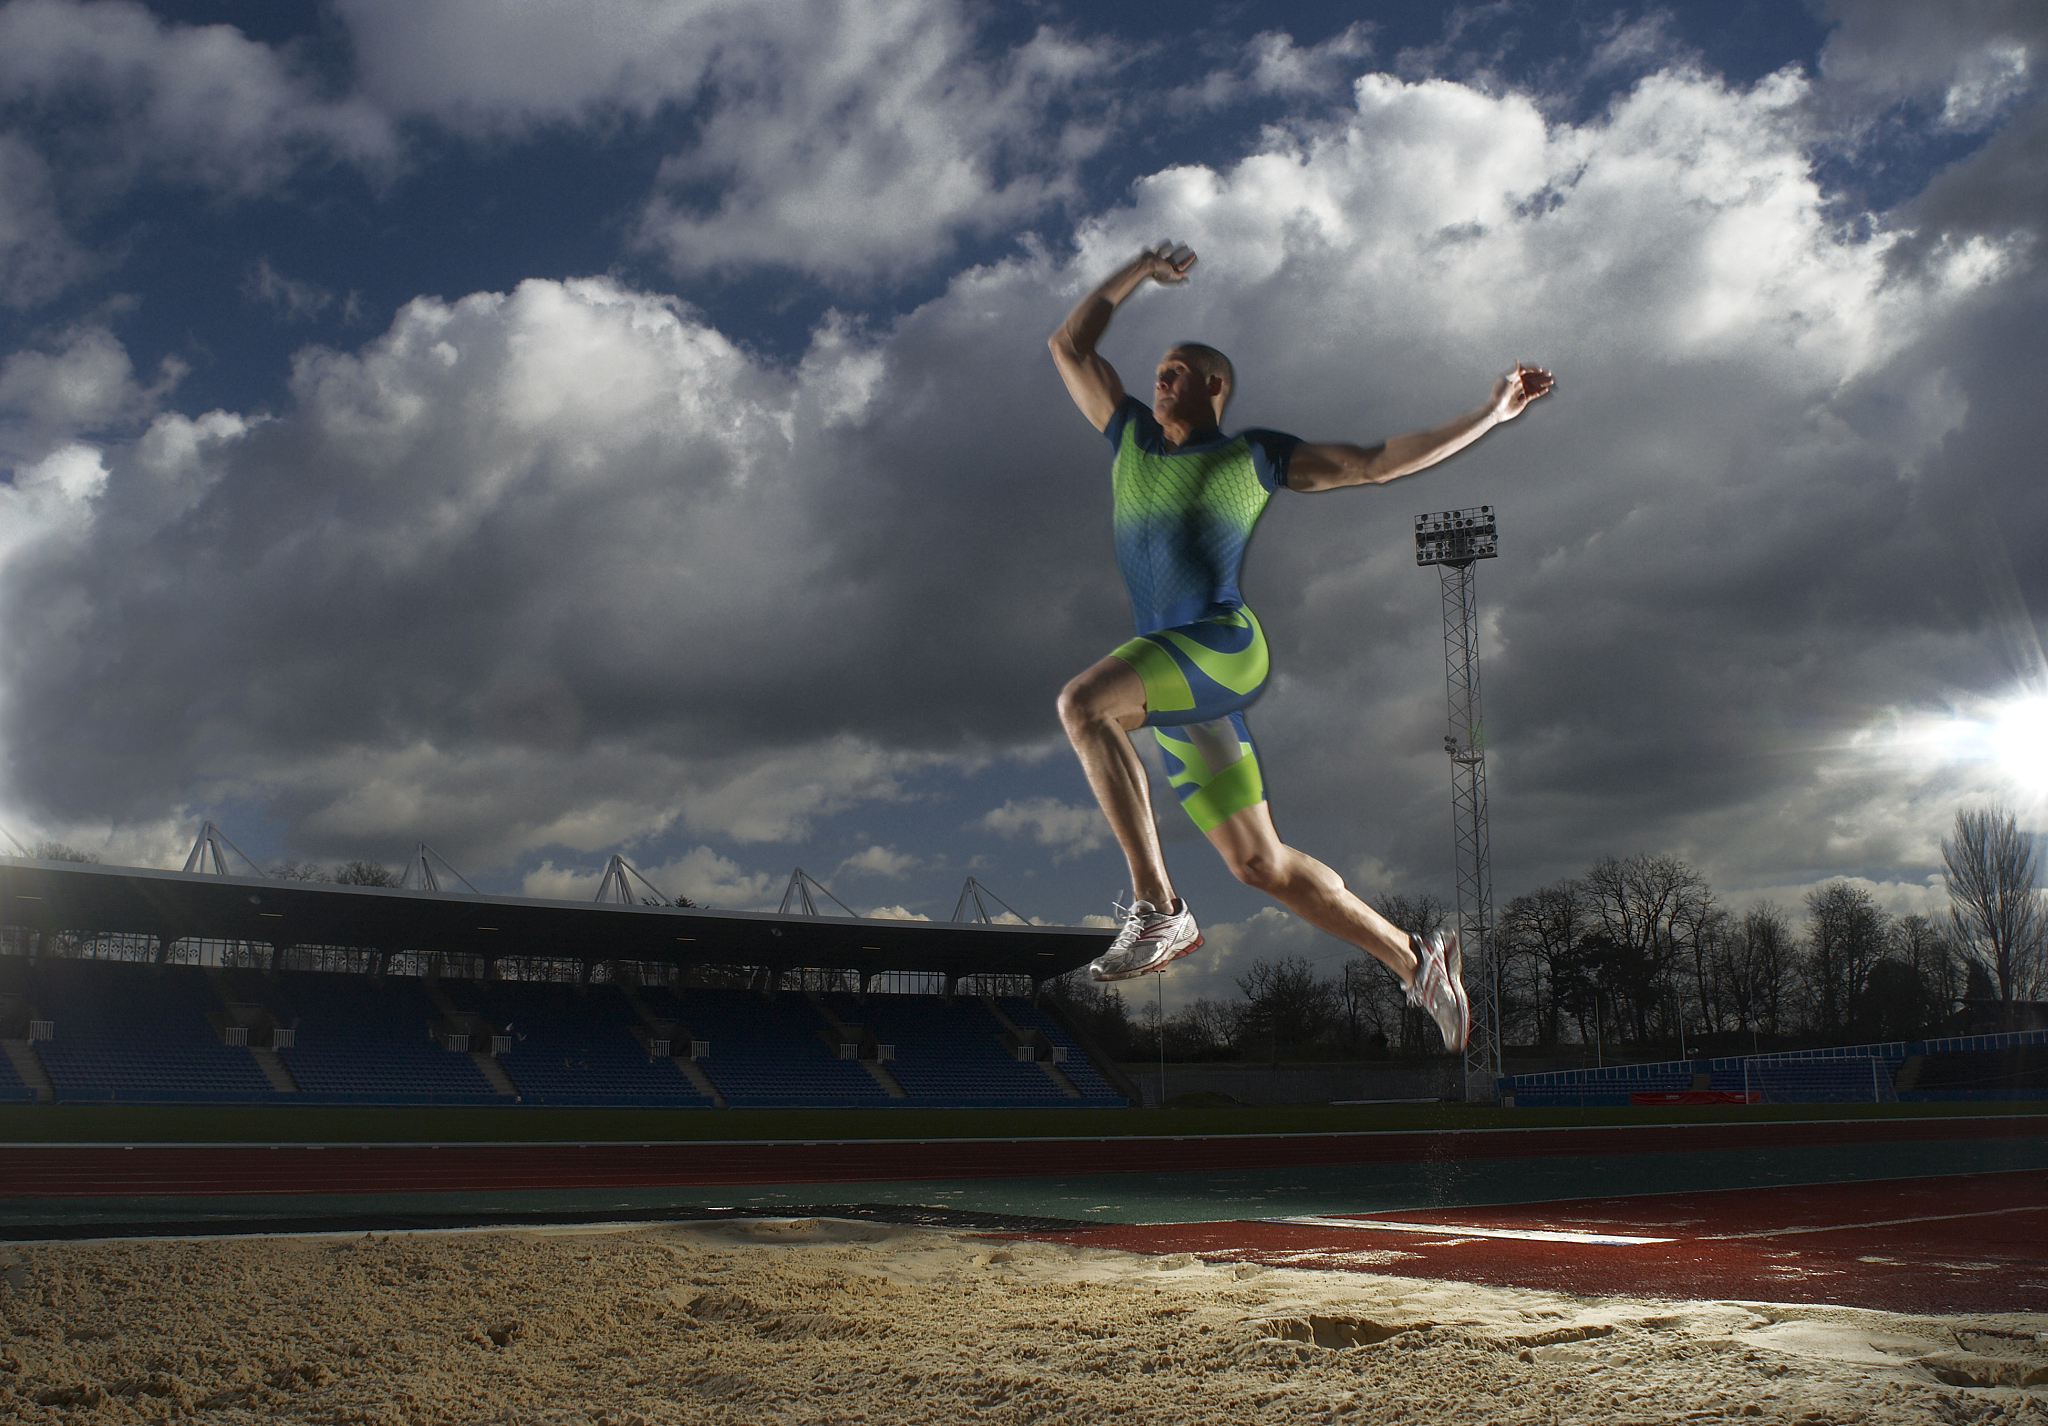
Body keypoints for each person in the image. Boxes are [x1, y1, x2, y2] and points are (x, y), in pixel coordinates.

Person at [1046, 241, 1553, 1050]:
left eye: (1178, 369)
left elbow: (1380, 462)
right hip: (1172, 680)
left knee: (1082, 703)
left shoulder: (1253, 456)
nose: (1159, 377)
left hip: (1217, 645)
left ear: (1216, 386)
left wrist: (1491, 412)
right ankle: (1416, 962)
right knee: (1260, 864)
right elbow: (1069, 347)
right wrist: (1139, 271)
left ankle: (1160, 911)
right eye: (1158, 369)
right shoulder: (1130, 438)